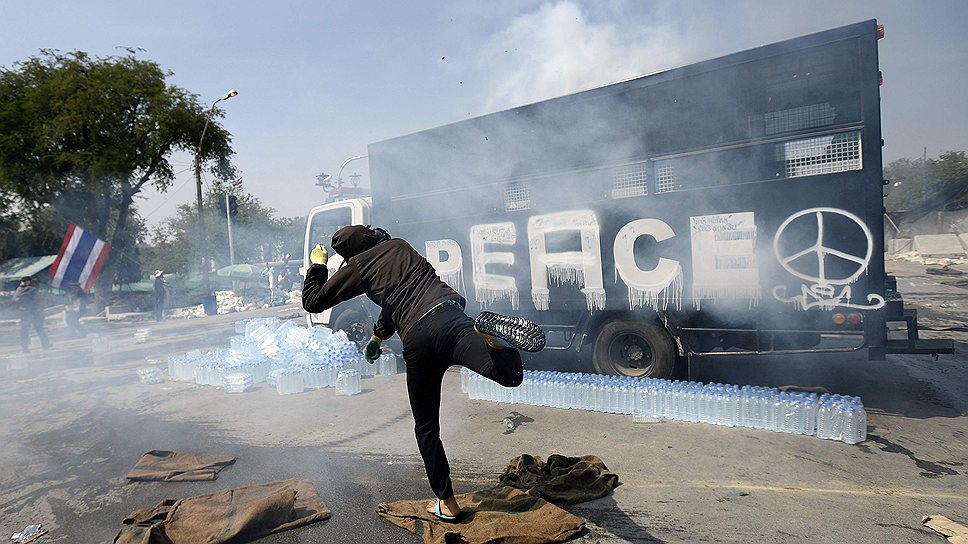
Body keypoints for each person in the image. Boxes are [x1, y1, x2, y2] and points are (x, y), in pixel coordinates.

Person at [302, 225, 546, 521]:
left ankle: (447, 502)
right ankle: (495, 340)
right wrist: (378, 336)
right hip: (452, 317)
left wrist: (318, 266)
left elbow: (313, 302)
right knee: (510, 377)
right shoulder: (400, 246)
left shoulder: (358, 265)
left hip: (419, 338)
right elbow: (396, 298)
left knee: (426, 427)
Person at [12, 276, 52, 353]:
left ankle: (25, 348)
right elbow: (37, 300)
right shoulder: (32, 289)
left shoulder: (18, 290)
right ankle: (45, 344)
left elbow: (14, 301)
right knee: (38, 329)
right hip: (32, 313)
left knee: (25, 330)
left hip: (25, 312)